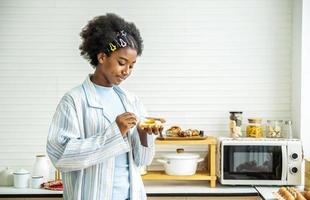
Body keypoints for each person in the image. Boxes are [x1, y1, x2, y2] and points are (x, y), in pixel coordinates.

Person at [46, 13, 162, 200]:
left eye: (132, 66)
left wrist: (143, 133)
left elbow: (143, 161)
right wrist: (116, 132)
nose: (127, 71)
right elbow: (60, 157)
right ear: (101, 57)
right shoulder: (74, 101)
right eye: (122, 63)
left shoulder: (131, 101)